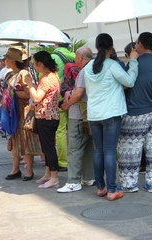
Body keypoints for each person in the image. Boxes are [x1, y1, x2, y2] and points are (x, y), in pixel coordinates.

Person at [84, 33, 138, 201]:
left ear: (97, 47)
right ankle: (112, 190)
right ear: (110, 47)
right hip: (111, 113)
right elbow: (129, 81)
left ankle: (101, 187)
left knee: (99, 150)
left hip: (94, 114)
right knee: (109, 151)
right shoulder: (113, 65)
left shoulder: (88, 67)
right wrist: (133, 61)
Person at [117, 32, 152, 193]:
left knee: (130, 149)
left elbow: (126, 83)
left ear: (139, 45)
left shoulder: (134, 63)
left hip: (135, 111)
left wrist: (132, 60)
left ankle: (129, 183)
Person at [57, 47, 95, 193]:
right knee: (88, 147)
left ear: (81, 58)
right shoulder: (95, 69)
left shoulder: (83, 72)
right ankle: (89, 177)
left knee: (74, 148)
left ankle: (73, 181)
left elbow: (79, 93)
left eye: (76, 58)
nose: (74, 61)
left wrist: (67, 103)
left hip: (78, 115)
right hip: (90, 115)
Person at [2, 47, 43, 181]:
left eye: (7, 58)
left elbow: (28, 93)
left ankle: (29, 171)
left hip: (23, 111)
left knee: (26, 140)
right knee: (14, 140)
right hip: (12, 112)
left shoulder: (24, 74)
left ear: (13, 60)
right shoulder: (10, 74)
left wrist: (13, 92)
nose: (4, 61)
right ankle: (15, 169)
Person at [28, 50, 61, 189]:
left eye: (35, 64)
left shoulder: (46, 79)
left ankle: (54, 177)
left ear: (40, 64)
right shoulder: (53, 76)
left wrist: (30, 84)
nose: (34, 67)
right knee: (47, 147)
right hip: (50, 116)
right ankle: (48, 174)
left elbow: (36, 98)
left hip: (46, 117)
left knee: (48, 148)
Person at [51, 33, 76, 172]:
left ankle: (63, 162)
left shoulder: (53, 57)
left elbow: (44, 76)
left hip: (59, 98)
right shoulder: (74, 56)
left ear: (56, 42)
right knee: (73, 130)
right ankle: (76, 158)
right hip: (75, 97)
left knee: (60, 131)